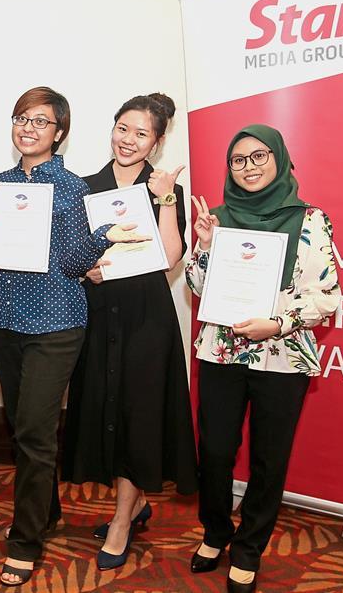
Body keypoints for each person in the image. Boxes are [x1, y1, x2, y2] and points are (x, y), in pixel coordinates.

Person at [0, 86, 151, 586]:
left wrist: (103, 238)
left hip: (55, 323)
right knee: (21, 424)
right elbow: (1, 256)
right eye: (21, 118)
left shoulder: (73, 187)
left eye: (40, 121)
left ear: (60, 133)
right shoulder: (3, 183)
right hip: (5, 318)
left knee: (33, 428)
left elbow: (76, 262)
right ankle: (46, 512)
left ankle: (24, 540)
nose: (28, 128)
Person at [186, 124, 340, 593]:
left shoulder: (311, 220)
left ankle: (248, 547)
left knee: (269, 460)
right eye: (238, 160)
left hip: (283, 355)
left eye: (258, 157)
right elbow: (196, 286)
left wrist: (278, 322)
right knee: (214, 452)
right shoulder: (217, 217)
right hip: (223, 350)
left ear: (279, 160)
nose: (248, 167)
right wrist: (207, 248)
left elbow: (328, 297)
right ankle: (216, 532)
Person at [61, 93, 198, 569]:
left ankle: (121, 521)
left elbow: (170, 258)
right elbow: (72, 255)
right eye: (123, 128)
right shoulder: (85, 186)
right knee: (105, 409)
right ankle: (135, 503)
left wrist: (163, 198)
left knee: (139, 414)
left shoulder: (163, 189)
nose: (128, 139)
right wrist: (86, 270)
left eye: (142, 133)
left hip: (145, 316)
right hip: (98, 311)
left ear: (156, 143)